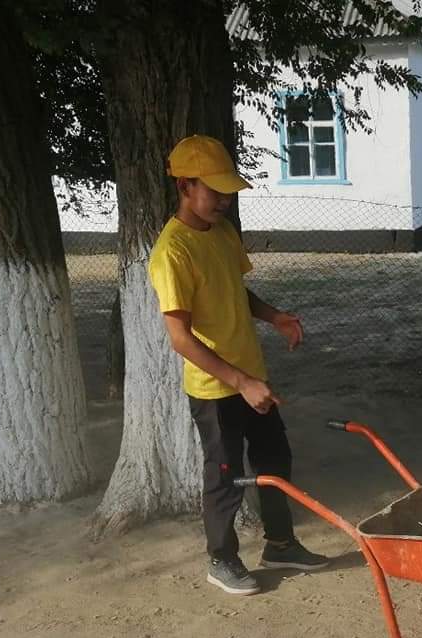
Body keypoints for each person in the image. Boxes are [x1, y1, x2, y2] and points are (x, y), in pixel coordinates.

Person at [149, 135, 329, 595]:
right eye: (215, 190)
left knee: (275, 459)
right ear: (186, 186)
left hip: (251, 376)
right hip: (216, 388)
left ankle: (281, 544)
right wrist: (239, 380)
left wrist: (274, 316)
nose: (224, 200)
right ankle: (221, 558)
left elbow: (234, 288)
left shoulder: (223, 233)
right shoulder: (173, 251)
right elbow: (180, 337)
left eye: (228, 191)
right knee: (224, 474)